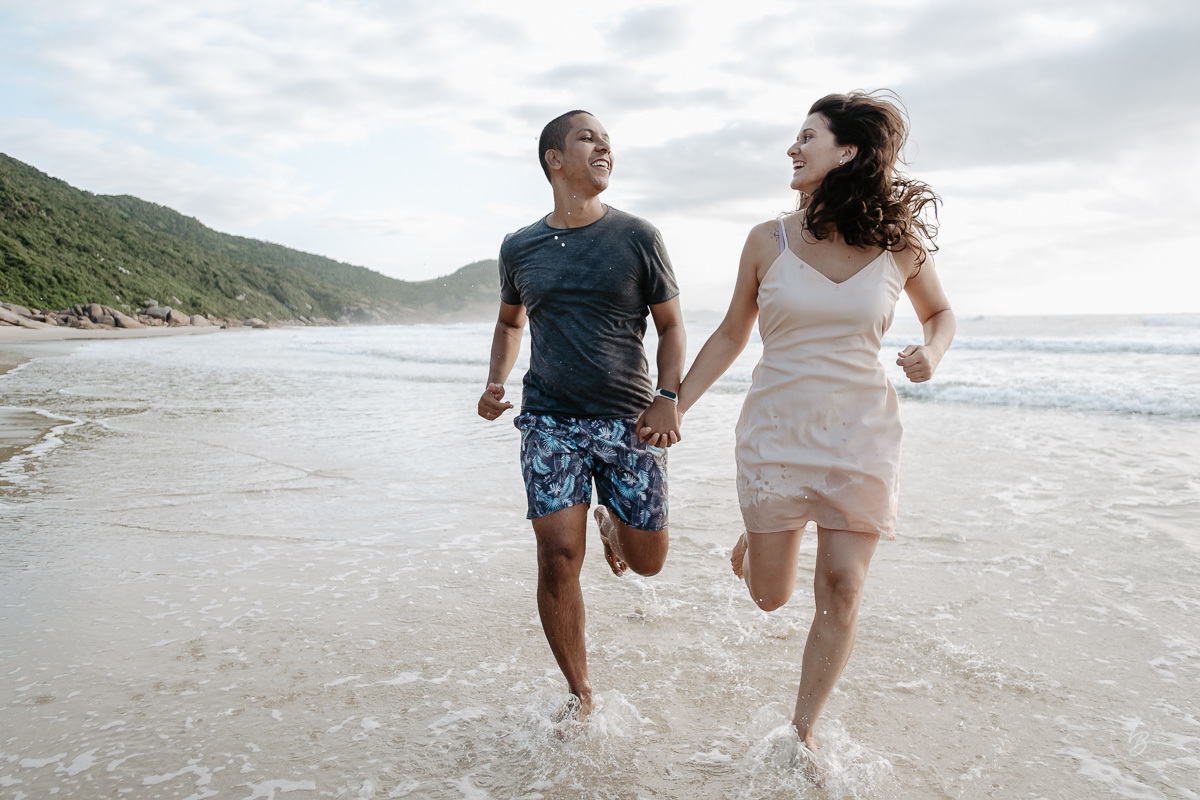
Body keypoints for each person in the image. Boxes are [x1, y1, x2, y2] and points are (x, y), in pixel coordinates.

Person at [651, 91, 954, 754]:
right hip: (777, 433)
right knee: (768, 598)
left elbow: (940, 316)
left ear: (847, 151)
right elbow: (733, 334)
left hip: (862, 436)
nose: (793, 147)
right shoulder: (768, 240)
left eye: (807, 136)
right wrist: (673, 400)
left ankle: (803, 732)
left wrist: (929, 352)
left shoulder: (897, 244)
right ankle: (758, 537)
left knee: (843, 589)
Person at [477, 110, 686, 724]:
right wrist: (495, 382)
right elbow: (510, 322)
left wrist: (668, 397)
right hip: (549, 420)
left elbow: (672, 327)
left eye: (608, 141)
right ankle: (581, 691)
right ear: (554, 159)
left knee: (648, 562)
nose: (604, 148)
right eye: (589, 138)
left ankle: (613, 526)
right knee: (557, 558)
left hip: (628, 420)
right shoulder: (520, 247)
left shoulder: (637, 237)